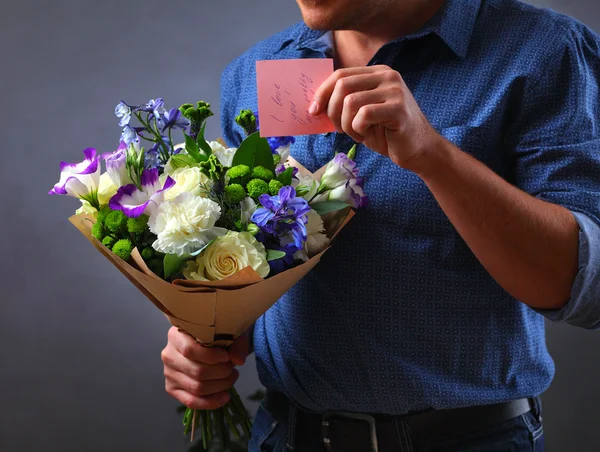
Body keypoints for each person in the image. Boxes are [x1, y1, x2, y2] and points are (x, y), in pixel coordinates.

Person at [161, 0, 600, 450]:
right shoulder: (254, 71)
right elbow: (256, 269)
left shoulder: (546, 52)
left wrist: (433, 156)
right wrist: (209, 341)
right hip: (285, 436)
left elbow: (582, 289)